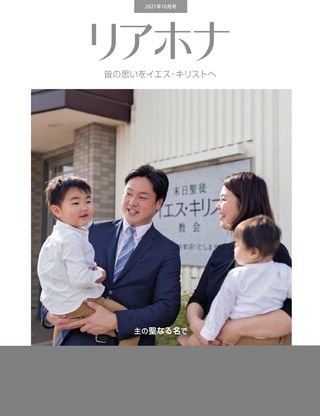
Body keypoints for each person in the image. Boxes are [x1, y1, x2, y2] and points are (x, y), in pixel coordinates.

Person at [41, 164, 181, 346]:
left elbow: (167, 309)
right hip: (76, 339)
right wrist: (48, 314)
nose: (132, 202)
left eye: (142, 197)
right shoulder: (89, 231)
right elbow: (55, 272)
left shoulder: (167, 250)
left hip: (124, 341)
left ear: (158, 203)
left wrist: (116, 321)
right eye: (129, 194)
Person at [178, 172, 292, 346]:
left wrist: (235, 328)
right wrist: (197, 324)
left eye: (223, 199)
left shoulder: (274, 253)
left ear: (244, 202)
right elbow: (198, 298)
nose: (216, 206)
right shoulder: (221, 252)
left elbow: (293, 312)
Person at [38, 175, 139, 346]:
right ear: (57, 211)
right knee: (131, 326)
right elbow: (80, 279)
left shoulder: (55, 238)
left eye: (88, 201)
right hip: (79, 301)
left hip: (63, 302)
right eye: (76, 203)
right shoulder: (72, 239)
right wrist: (99, 274)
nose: (84, 207)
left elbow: (50, 273)